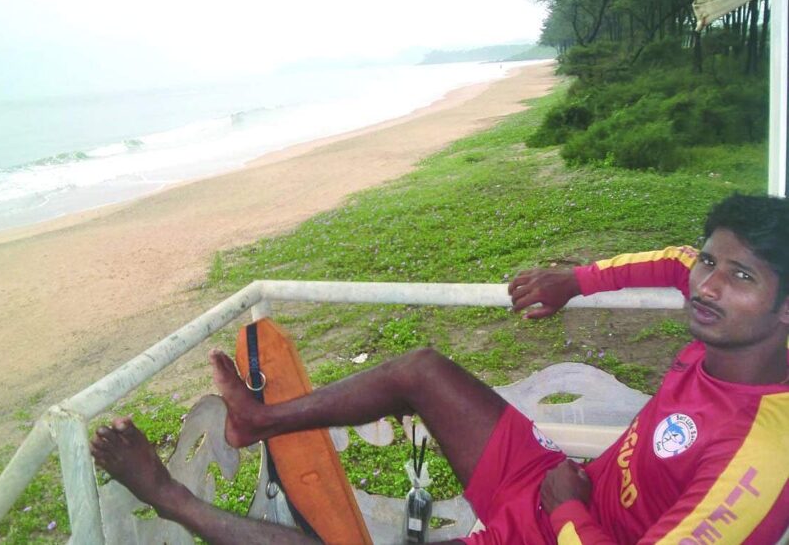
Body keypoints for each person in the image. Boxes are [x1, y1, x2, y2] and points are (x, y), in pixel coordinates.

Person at [90, 193, 789, 544]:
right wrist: (574, 278)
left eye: (740, 275)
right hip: (556, 487)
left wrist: (569, 507)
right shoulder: (727, 335)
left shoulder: (761, 452)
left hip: (568, 519)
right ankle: (256, 419)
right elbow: (672, 259)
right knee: (422, 368)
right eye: (709, 262)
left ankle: (170, 497)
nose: (704, 285)